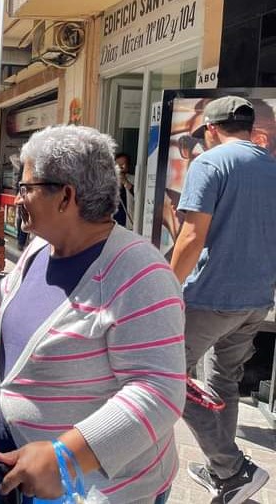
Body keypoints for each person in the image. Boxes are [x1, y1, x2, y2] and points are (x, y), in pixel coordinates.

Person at [0, 125, 186, 504]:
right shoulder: (41, 249)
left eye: (26, 187)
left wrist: (65, 456)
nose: (17, 199)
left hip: (90, 489)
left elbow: (159, 392)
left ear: (66, 196)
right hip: (17, 470)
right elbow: (3, 301)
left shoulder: (139, 271)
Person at [170, 96, 276, 504]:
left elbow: (192, 237)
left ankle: (232, 467)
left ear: (212, 129)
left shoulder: (210, 163)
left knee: (163, 375)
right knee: (223, 383)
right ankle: (223, 474)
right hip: (256, 300)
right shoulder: (271, 165)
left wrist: (166, 288)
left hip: (211, 297)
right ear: (250, 128)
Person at [113, 152, 134, 228]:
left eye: (123, 165)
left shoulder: (134, 179)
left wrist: (125, 182)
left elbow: (140, 196)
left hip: (129, 223)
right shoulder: (109, 182)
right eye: (117, 165)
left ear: (128, 166)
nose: (119, 168)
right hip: (113, 224)